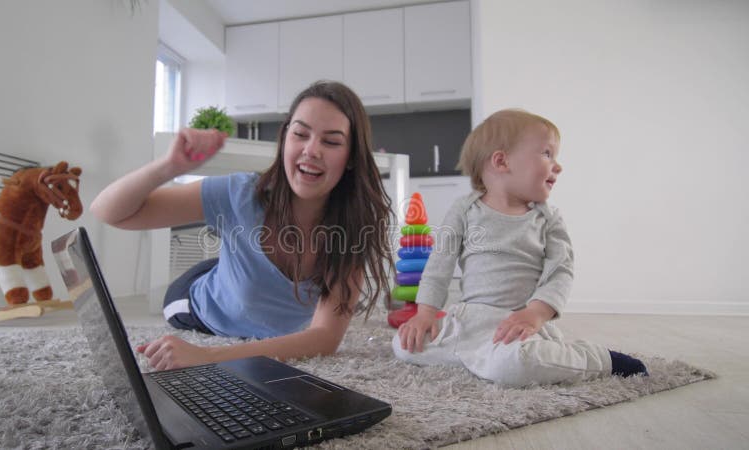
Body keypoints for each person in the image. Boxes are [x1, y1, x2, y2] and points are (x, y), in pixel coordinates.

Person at [91, 81, 393, 371]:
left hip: (239, 275)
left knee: (238, 267)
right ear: (285, 138)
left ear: (351, 157)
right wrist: (170, 167)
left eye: (331, 141)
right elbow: (108, 211)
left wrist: (209, 356)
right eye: (301, 134)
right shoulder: (241, 193)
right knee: (221, 275)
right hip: (198, 302)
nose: (311, 150)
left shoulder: (354, 229)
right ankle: (222, 272)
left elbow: (325, 338)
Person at [392, 109, 647, 387]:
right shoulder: (464, 210)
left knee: (516, 365)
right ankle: (481, 357)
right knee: (403, 344)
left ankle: (598, 359)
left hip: (516, 324)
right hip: (467, 321)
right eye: (547, 154)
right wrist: (426, 313)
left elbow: (560, 272)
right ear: (502, 161)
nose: (557, 166)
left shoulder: (548, 218)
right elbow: (439, 265)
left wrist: (535, 314)